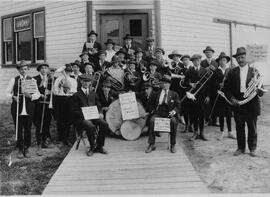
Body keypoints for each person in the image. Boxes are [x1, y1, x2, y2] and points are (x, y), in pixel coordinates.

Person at [223, 47, 265, 157]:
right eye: (238, 58)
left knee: (252, 127)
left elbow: (261, 89)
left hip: (251, 103)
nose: (240, 59)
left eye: (242, 57)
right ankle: (240, 148)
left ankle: (252, 148)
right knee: (239, 127)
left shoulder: (254, 71)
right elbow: (226, 89)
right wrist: (232, 99)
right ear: (236, 59)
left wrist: (259, 91)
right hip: (238, 103)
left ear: (247, 58)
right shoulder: (232, 72)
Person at [5, 60, 40, 158]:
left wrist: (31, 96)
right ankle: (20, 148)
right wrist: (13, 97)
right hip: (17, 106)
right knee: (19, 128)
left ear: (28, 69)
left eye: (25, 69)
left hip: (29, 107)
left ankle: (27, 147)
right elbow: (7, 92)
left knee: (28, 127)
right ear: (18, 70)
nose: (23, 71)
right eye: (21, 69)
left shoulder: (32, 80)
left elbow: (37, 94)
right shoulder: (14, 80)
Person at [70, 74, 109, 156]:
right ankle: (92, 147)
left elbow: (98, 106)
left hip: (93, 116)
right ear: (81, 82)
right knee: (90, 125)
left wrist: (101, 113)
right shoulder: (76, 95)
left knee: (104, 124)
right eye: (84, 81)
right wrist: (85, 113)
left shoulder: (93, 94)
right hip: (81, 119)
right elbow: (73, 111)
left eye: (88, 81)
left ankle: (100, 146)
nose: (86, 83)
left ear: (90, 83)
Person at [145, 76, 181, 154]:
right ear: (161, 84)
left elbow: (178, 106)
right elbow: (149, 105)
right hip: (158, 113)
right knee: (151, 121)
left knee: (174, 122)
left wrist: (173, 112)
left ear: (169, 84)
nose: (165, 85)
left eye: (167, 83)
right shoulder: (155, 94)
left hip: (169, 115)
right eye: (163, 83)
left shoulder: (174, 94)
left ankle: (172, 144)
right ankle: (151, 144)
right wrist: (153, 111)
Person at [185, 54, 210, 141]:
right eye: (194, 61)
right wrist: (190, 84)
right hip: (193, 96)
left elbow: (208, 85)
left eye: (198, 60)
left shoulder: (205, 70)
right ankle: (195, 132)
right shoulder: (189, 71)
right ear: (192, 62)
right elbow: (185, 82)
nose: (196, 62)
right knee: (194, 115)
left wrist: (208, 96)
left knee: (202, 115)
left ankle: (202, 132)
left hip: (203, 96)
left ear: (200, 60)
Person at [212, 52, 236, 141]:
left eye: (224, 60)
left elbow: (233, 83)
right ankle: (222, 132)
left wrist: (226, 85)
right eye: (221, 60)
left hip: (228, 95)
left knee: (229, 114)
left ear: (226, 61)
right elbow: (213, 84)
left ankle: (230, 132)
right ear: (218, 62)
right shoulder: (216, 71)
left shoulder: (230, 71)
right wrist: (219, 85)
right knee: (221, 114)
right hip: (220, 96)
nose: (222, 62)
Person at [53, 64, 77, 146]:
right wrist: (60, 85)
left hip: (69, 99)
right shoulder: (58, 79)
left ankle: (66, 139)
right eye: (65, 71)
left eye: (69, 72)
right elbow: (55, 91)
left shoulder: (73, 80)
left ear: (71, 72)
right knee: (60, 120)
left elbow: (74, 90)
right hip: (60, 99)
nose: (67, 73)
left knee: (68, 120)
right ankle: (60, 139)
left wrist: (67, 84)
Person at [33, 63, 54, 156]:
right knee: (39, 124)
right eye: (42, 68)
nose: (44, 70)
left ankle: (44, 141)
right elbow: (32, 90)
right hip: (38, 104)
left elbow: (55, 89)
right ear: (39, 70)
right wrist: (40, 94)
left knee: (46, 123)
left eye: (46, 68)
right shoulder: (34, 79)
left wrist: (50, 91)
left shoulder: (51, 78)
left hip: (48, 104)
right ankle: (39, 144)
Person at [201, 46, 219, 126]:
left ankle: (214, 120)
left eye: (210, 52)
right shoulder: (202, 62)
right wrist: (206, 69)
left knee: (214, 102)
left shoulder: (216, 62)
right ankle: (206, 119)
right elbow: (201, 72)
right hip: (205, 85)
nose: (208, 53)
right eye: (207, 52)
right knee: (206, 103)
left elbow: (218, 74)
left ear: (212, 53)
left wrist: (214, 70)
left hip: (214, 85)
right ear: (205, 53)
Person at [180, 54, 193, 133]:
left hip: (191, 92)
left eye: (187, 60)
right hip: (183, 92)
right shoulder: (181, 70)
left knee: (191, 110)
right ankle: (186, 126)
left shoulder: (192, 69)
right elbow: (178, 83)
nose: (185, 61)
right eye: (184, 60)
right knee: (185, 110)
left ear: (189, 61)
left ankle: (191, 125)